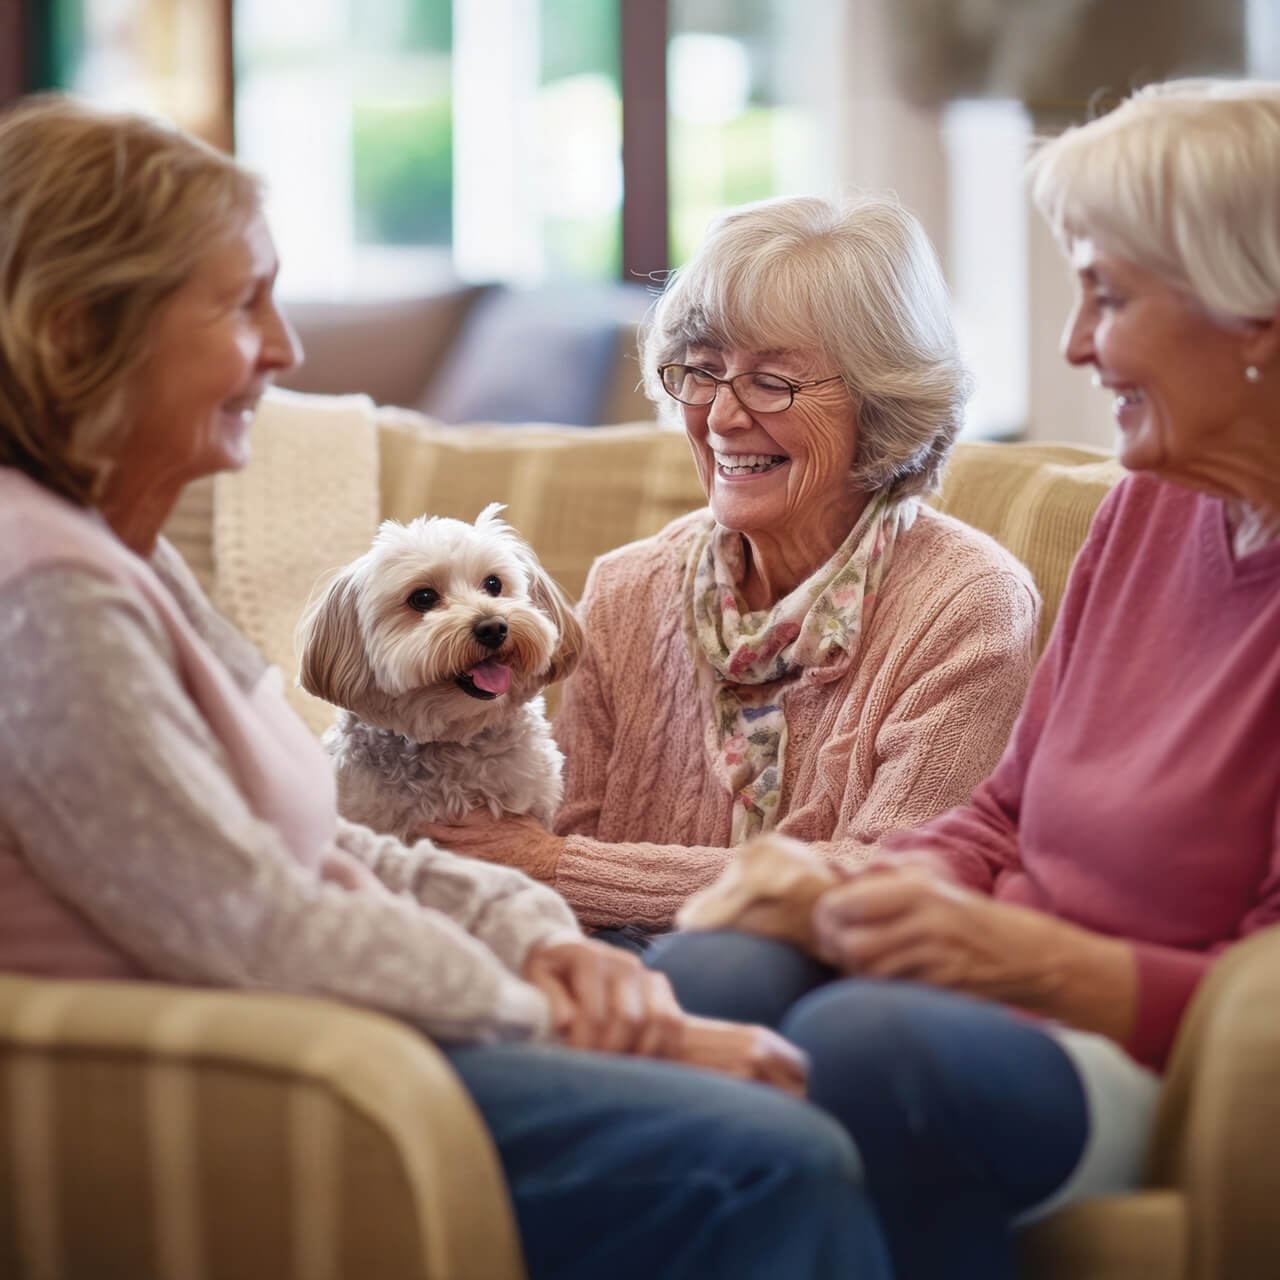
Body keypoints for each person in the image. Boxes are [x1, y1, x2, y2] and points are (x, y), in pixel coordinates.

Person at [0, 95, 895, 1280]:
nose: (286, 349)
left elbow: (320, 851)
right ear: (74, 334)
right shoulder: (46, 597)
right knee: (777, 1153)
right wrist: (572, 1014)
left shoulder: (113, 549)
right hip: (256, 1070)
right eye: (239, 304)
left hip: (334, 1020)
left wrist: (536, 938)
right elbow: (247, 919)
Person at [648, 78, 1280, 1280]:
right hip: (1000, 982)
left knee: (867, 1041)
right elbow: (998, 813)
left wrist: (1011, 956)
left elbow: (1259, 991)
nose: (1073, 342)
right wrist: (874, 894)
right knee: (709, 968)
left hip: (1147, 1048)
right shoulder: (1149, 505)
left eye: (1107, 293)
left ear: (1249, 311)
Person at [425, 193, 1041, 939]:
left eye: (772, 382)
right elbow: (558, 828)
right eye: (703, 370)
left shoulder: (968, 604)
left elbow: (892, 882)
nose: (720, 417)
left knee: (727, 966)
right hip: (608, 964)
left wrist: (564, 870)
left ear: (880, 403)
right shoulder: (629, 587)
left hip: (832, 987)